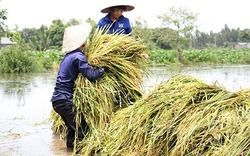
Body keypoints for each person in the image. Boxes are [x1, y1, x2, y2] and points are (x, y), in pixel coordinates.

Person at [50, 22, 106, 149]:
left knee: (72, 129)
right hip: (65, 101)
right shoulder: (78, 56)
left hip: (57, 101)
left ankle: (69, 151)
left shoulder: (67, 57)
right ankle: (81, 151)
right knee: (83, 129)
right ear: (81, 41)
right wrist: (103, 70)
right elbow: (91, 75)